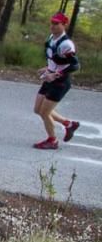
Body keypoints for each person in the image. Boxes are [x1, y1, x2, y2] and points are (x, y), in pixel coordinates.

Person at [33, 12, 80, 149]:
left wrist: (56, 74)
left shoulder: (66, 44)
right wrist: (48, 68)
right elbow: (56, 60)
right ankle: (69, 124)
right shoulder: (52, 38)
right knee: (37, 109)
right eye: (52, 23)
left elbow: (75, 65)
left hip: (60, 82)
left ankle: (52, 140)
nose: (52, 26)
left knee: (44, 113)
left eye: (56, 23)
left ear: (64, 25)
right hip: (49, 78)